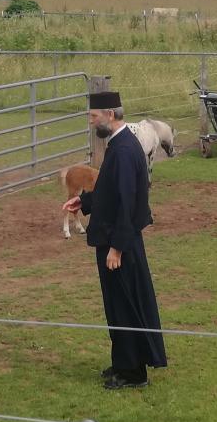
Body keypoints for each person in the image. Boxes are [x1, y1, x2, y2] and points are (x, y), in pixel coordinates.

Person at [64, 90, 167, 389]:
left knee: (124, 305)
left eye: (94, 116)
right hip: (116, 239)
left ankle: (134, 373)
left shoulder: (122, 150)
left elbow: (127, 202)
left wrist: (117, 248)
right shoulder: (120, 145)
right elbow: (110, 191)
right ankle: (123, 362)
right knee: (116, 303)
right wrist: (84, 202)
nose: (91, 122)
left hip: (119, 243)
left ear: (110, 114)